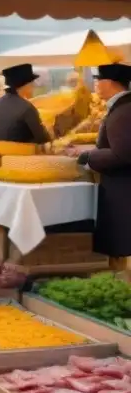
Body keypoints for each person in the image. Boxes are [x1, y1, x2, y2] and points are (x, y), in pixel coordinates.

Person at [78, 63, 131, 264]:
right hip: (121, 188)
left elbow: (123, 154)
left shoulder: (124, 111)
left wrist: (89, 157)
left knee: (122, 243)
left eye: (99, 80)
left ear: (110, 82)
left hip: (123, 189)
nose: (96, 85)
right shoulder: (122, 108)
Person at [0, 63, 51, 145]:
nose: (33, 87)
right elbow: (42, 138)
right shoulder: (26, 108)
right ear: (25, 85)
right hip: (18, 156)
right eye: (32, 83)